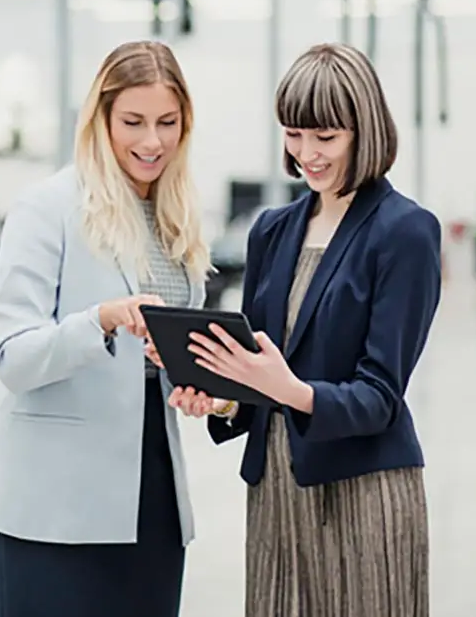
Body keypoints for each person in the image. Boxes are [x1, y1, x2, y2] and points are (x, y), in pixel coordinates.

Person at [169, 42, 441, 617]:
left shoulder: (405, 232)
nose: (307, 154)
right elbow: (258, 372)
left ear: (364, 132)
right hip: (275, 491)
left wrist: (288, 388)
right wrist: (224, 397)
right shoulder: (272, 230)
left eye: (326, 137)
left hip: (362, 492)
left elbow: (380, 396)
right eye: (294, 134)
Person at [0, 39, 211, 617]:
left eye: (167, 123)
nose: (152, 141)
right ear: (101, 119)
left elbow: (174, 348)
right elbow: (14, 359)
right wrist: (100, 321)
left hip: (151, 489)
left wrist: (204, 382)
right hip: (56, 503)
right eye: (133, 122)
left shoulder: (176, 216)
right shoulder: (47, 208)